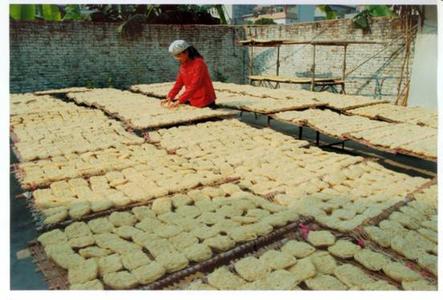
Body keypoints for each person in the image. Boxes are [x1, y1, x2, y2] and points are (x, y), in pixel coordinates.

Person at [163, 40, 216, 109]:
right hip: (192, 99)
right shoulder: (183, 65)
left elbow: (195, 84)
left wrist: (180, 100)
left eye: (179, 55)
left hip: (205, 100)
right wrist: (170, 97)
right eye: (176, 56)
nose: (178, 59)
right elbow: (179, 83)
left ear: (186, 52)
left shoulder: (199, 63)